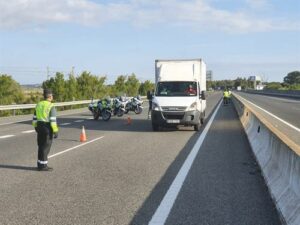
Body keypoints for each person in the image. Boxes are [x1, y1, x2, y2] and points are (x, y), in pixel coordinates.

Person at [32, 89, 59, 171]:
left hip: (39, 126)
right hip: (47, 127)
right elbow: (53, 120)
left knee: (40, 146)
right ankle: (43, 166)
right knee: (45, 147)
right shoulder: (51, 106)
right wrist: (55, 131)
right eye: (52, 95)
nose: (52, 97)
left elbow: (34, 118)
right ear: (50, 96)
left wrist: (36, 127)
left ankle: (40, 164)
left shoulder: (38, 105)